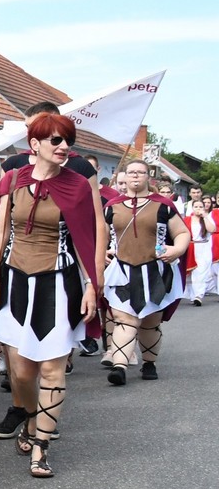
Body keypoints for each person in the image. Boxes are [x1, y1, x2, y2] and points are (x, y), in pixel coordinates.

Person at [0, 113, 103, 478]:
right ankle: (30, 418)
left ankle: (42, 446)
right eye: (56, 140)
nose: (64, 147)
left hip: (60, 283)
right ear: (34, 145)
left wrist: (91, 286)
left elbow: (90, 237)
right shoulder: (12, 179)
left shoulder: (78, 185)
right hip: (16, 281)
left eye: (67, 140)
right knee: (21, 371)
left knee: (52, 369)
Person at [102, 160, 190, 384]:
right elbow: (99, 236)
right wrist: (101, 251)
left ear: (147, 177)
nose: (135, 176)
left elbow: (181, 233)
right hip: (121, 270)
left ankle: (149, 362)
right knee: (124, 319)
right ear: (125, 176)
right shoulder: (111, 206)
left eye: (140, 173)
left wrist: (176, 249)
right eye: (131, 172)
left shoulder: (163, 205)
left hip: (155, 271)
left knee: (150, 321)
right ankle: (119, 367)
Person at [189, 194, 217, 303]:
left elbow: (212, 229)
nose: (198, 209)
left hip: (204, 247)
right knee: (193, 272)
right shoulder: (188, 219)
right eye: (196, 207)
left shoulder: (207, 218)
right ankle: (193, 294)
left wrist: (205, 216)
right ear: (192, 208)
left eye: (201, 207)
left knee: (202, 271)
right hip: (192, 247)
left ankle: (199, 295)